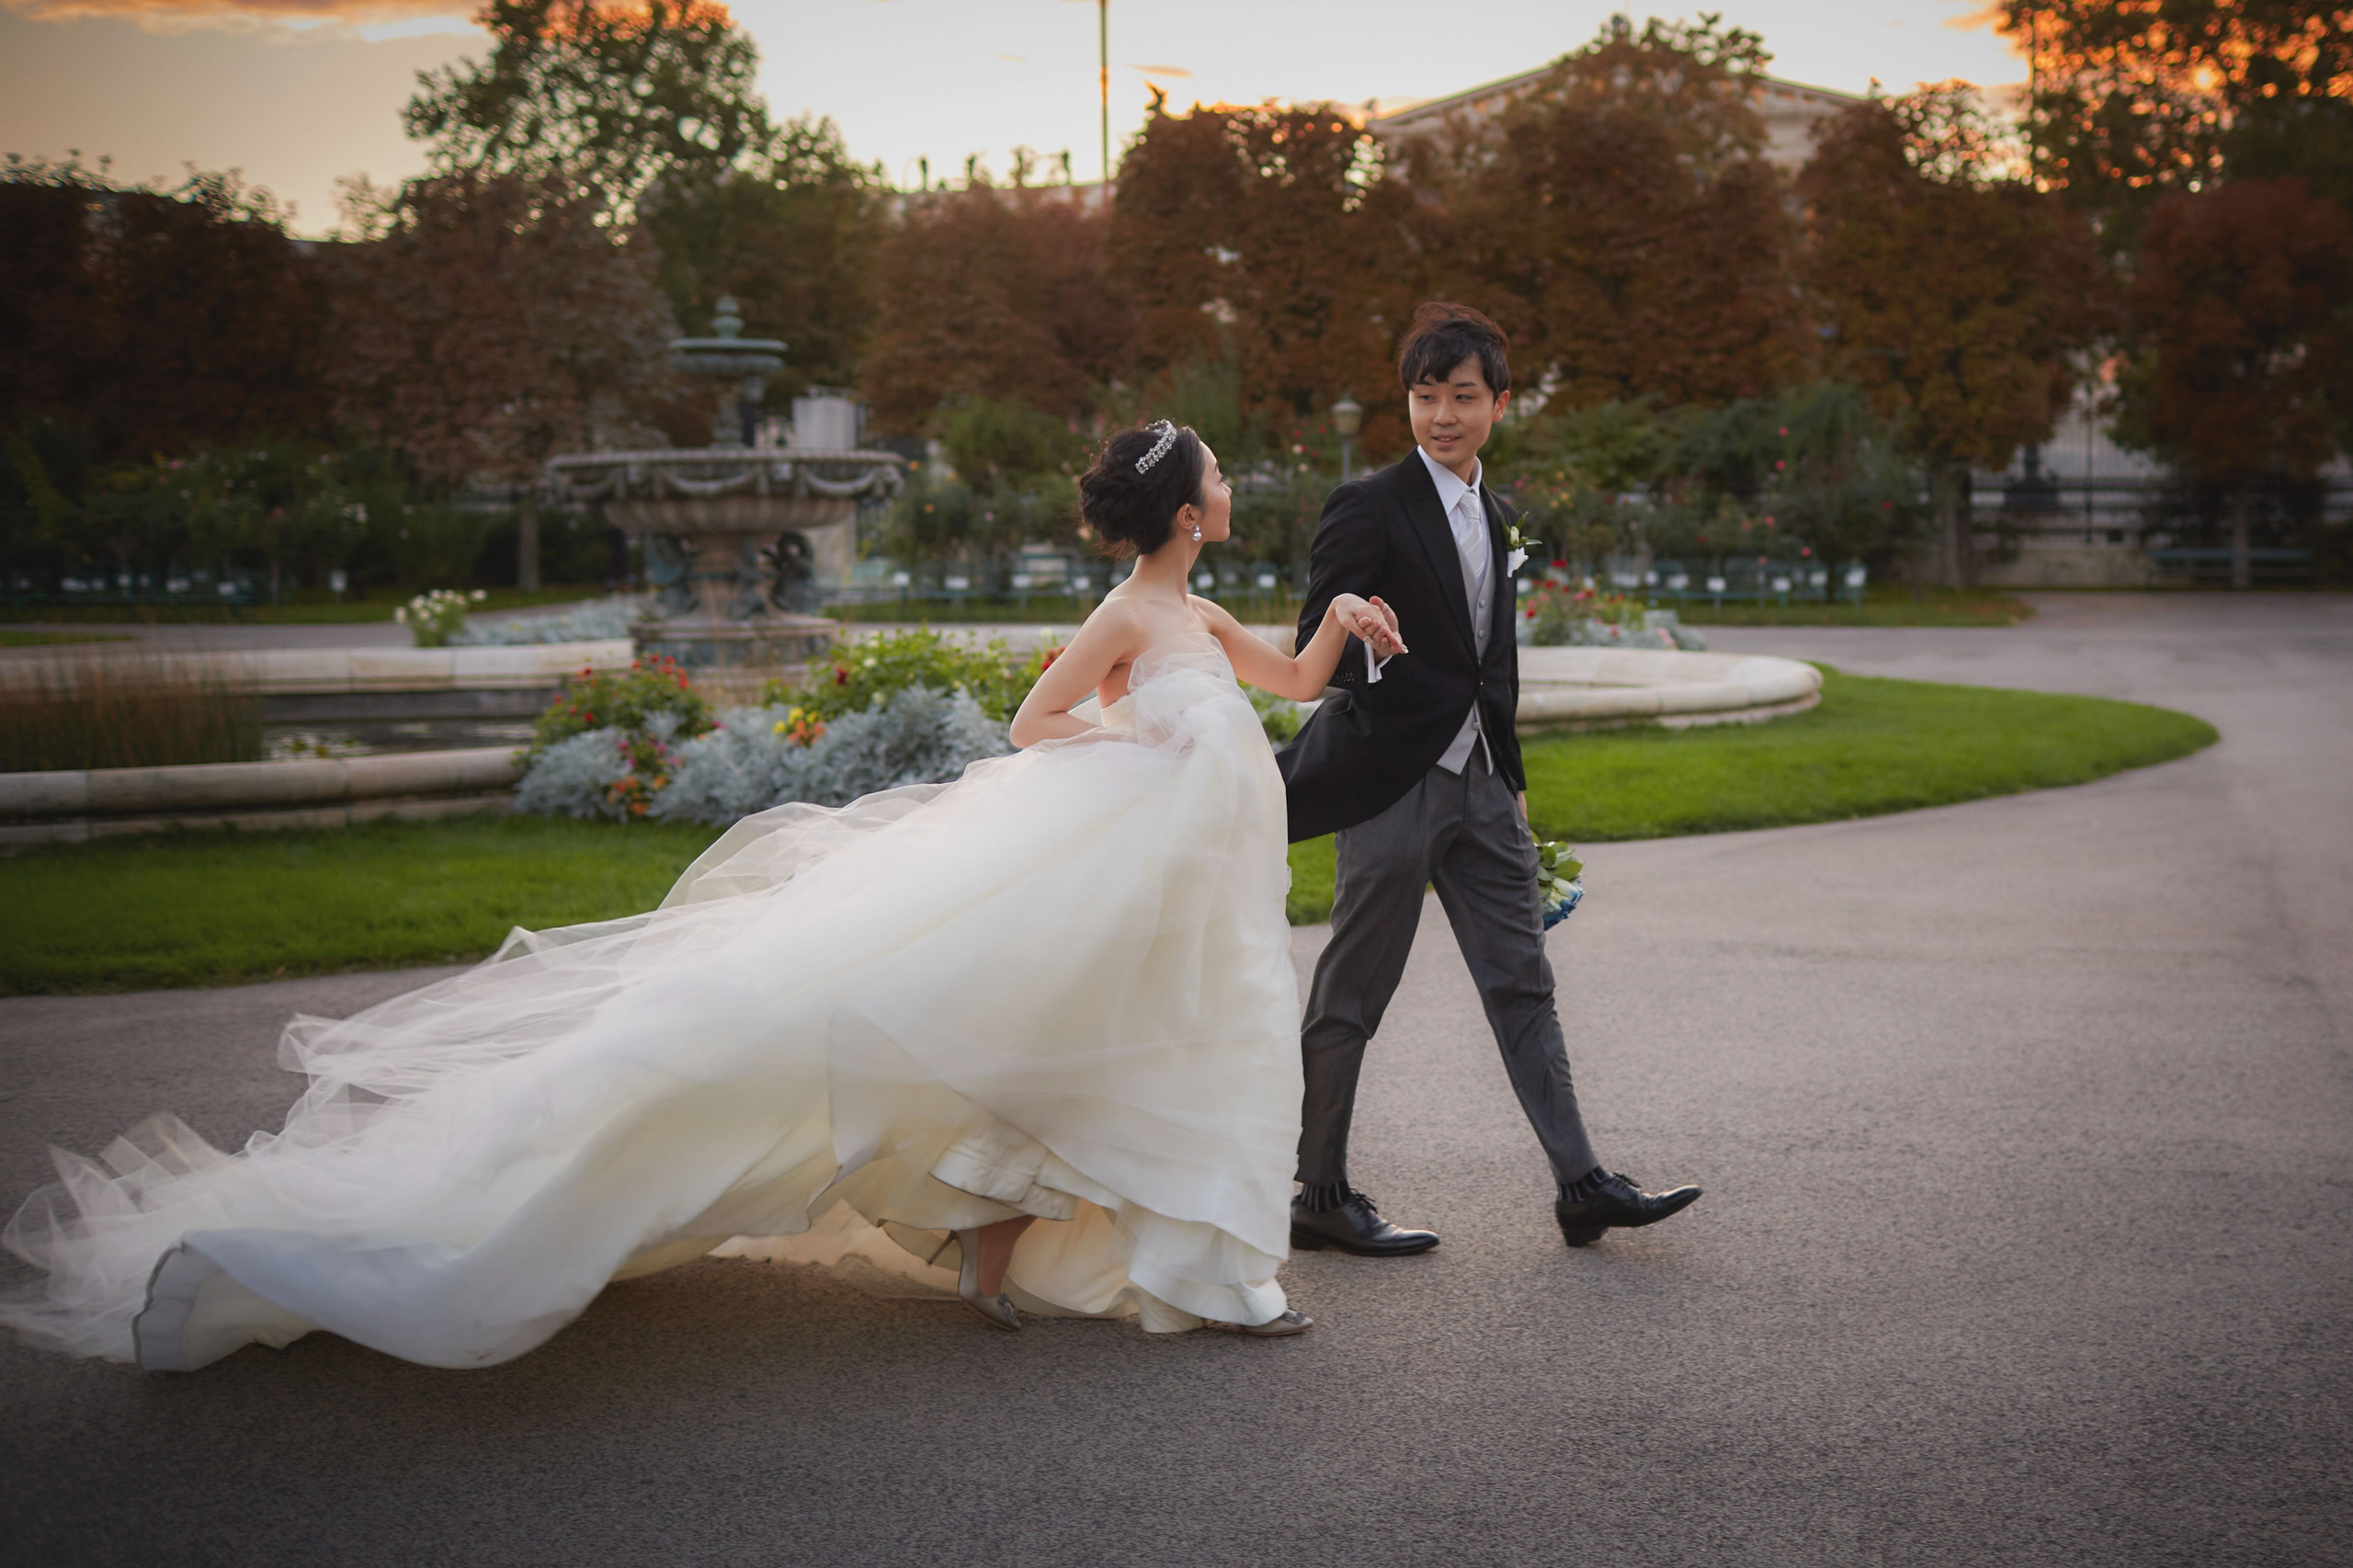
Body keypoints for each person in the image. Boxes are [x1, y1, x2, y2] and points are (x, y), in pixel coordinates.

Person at [0, 419, 1404, 1371]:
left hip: (1178, 900)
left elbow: (1284, 686)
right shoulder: (1126, 619)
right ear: (1181, 508)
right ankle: (1107, 1266)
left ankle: (1054, 1256)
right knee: (967, 1033)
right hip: (1105, 866)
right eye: (1216, 474)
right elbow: (1036, 726)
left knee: (1116, 1057)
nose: (1230, 488)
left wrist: (1337, 623)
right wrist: (1138, 753)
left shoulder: (1212, 618)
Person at [1277, 302, 1702, 1256]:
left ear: (1499, 404)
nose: (1440, 415)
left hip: (1482, 787)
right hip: (1388, 781)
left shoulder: (1498, 511)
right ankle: (1318, 1190)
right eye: (1425, 397)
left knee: (1524, 983)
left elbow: (1490, 659)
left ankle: (1581, 1183)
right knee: (1353, 993)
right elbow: (1314, 644)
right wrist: (1363, 635)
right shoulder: (1368, 504)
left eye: (1461, 396)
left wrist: (1509, 775)